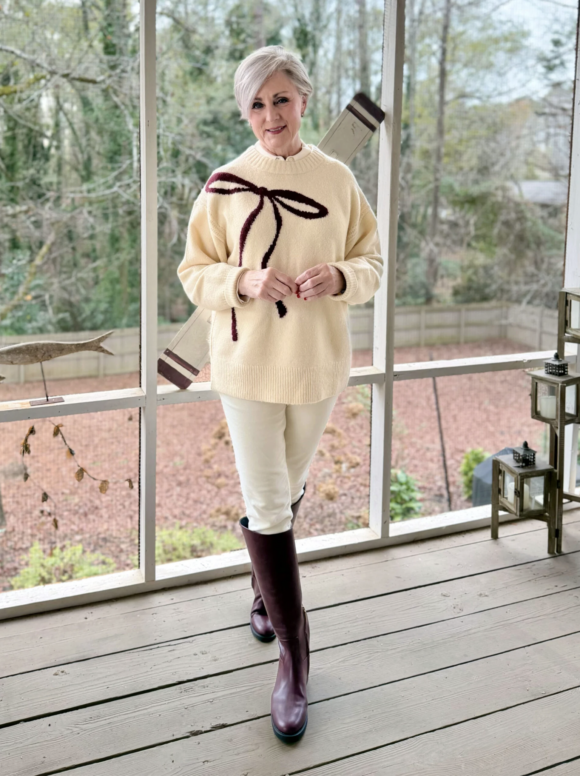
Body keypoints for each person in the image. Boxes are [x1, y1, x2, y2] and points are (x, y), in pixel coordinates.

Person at [177, 45, 383, 744]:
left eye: (282, 99)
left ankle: (264, 594)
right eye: (258, 103)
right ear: (245, 110)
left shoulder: (338, 178)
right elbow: (192, 271)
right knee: (269, 505)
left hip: (316, 366)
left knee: (285, 489)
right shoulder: (224, 185)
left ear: (304, 100)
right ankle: (296, 664)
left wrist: (343, 276)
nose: (271, 114)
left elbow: (373, 261)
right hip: (245, 367)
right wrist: (240, 279)